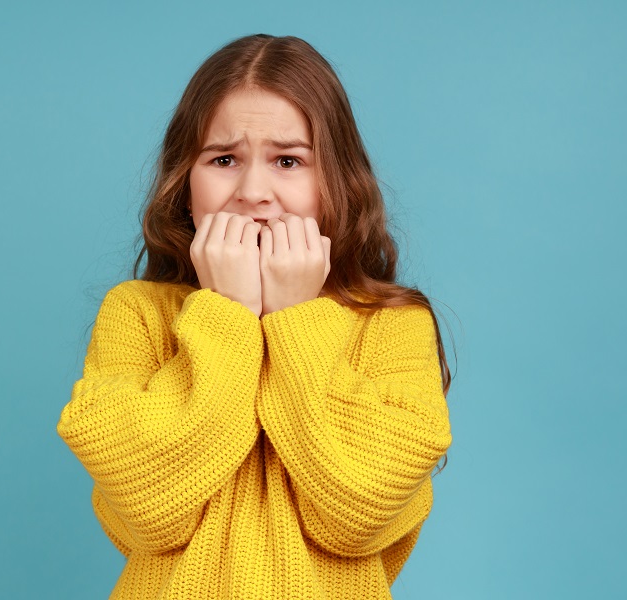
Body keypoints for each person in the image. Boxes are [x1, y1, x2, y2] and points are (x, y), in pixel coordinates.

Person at [57, 34, 453, 600]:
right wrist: (228, 315)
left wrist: (295, 319)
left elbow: (359, 512)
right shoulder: (136, 315)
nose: (253, 193)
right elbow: (148, 511)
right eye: (223, 160)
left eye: (288, 161)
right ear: (184, 184)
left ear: (334, 183)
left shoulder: (394, 325)